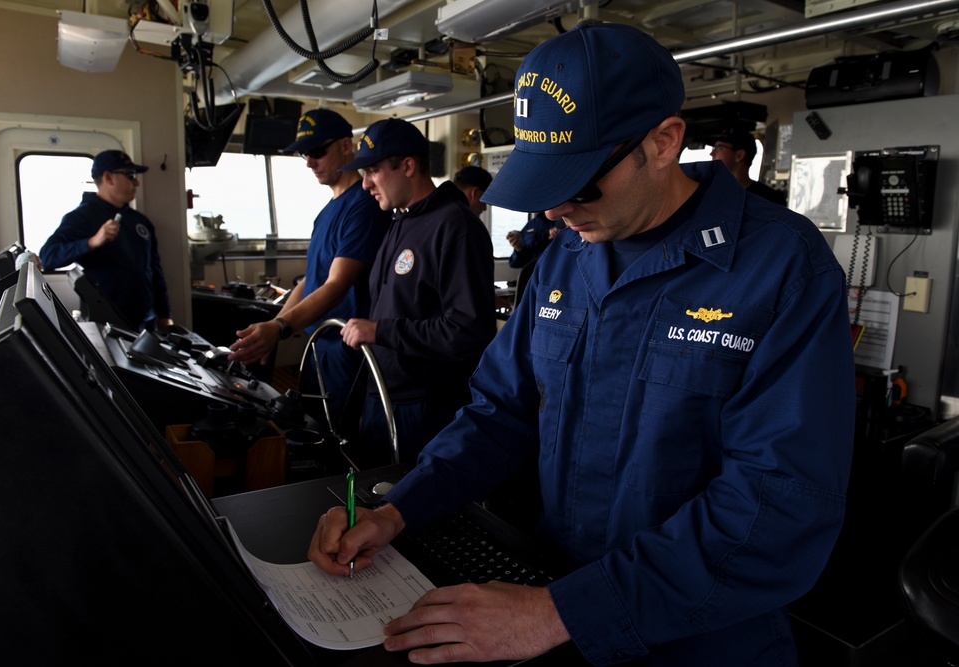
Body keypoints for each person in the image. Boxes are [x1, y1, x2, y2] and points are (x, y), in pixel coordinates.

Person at [309, 22, 855, 666]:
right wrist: (399, 509)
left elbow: (778, 505)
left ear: (663, 141)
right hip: (551, 602)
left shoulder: (781, 267)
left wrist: (565, 611)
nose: (554, 211)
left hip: (698, 637)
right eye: (543, 186)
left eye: (580, 182)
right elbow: (500, 413)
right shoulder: (569, 255)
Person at [337, 118, 496, 464]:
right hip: (383, 396)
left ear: (408, 166)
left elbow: (468, 330)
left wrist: (380, 331)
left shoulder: (456, 227)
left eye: (373, 171)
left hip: (424, 407)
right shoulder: (400, 221)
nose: (364, 185)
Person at [227, 109, 390, 420]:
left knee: (340, 436)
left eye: (317, 152)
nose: (309, 163)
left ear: (346, 145)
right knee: (314, 426)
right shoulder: (328, 210)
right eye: (304, 154)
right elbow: (311, 280)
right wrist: (274, 328)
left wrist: (279, 328)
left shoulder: (364, 206)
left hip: (346, 349)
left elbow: (336, 285)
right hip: (319, 346)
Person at [40, 150, 173, 332]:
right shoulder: (82, 217)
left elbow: (155, 270)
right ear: (109, 178)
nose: (136, 183)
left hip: (147, 322)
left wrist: (165, 315)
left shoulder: (140, 221)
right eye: (131, 175)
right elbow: (49, 256)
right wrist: (92, 242)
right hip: (107, 323)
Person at [710, 129, 787, 205]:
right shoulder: (710, 193)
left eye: (718, 149)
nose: (712, 153)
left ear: (739, 155)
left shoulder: (770, 199)